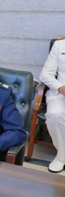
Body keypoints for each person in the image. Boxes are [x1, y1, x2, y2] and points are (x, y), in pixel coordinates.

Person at [39, 39, 65, 172]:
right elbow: (45, 74)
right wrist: (61, 87)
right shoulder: (60, 45)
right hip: (60, 93)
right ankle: (61, 156)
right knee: (54, 115)